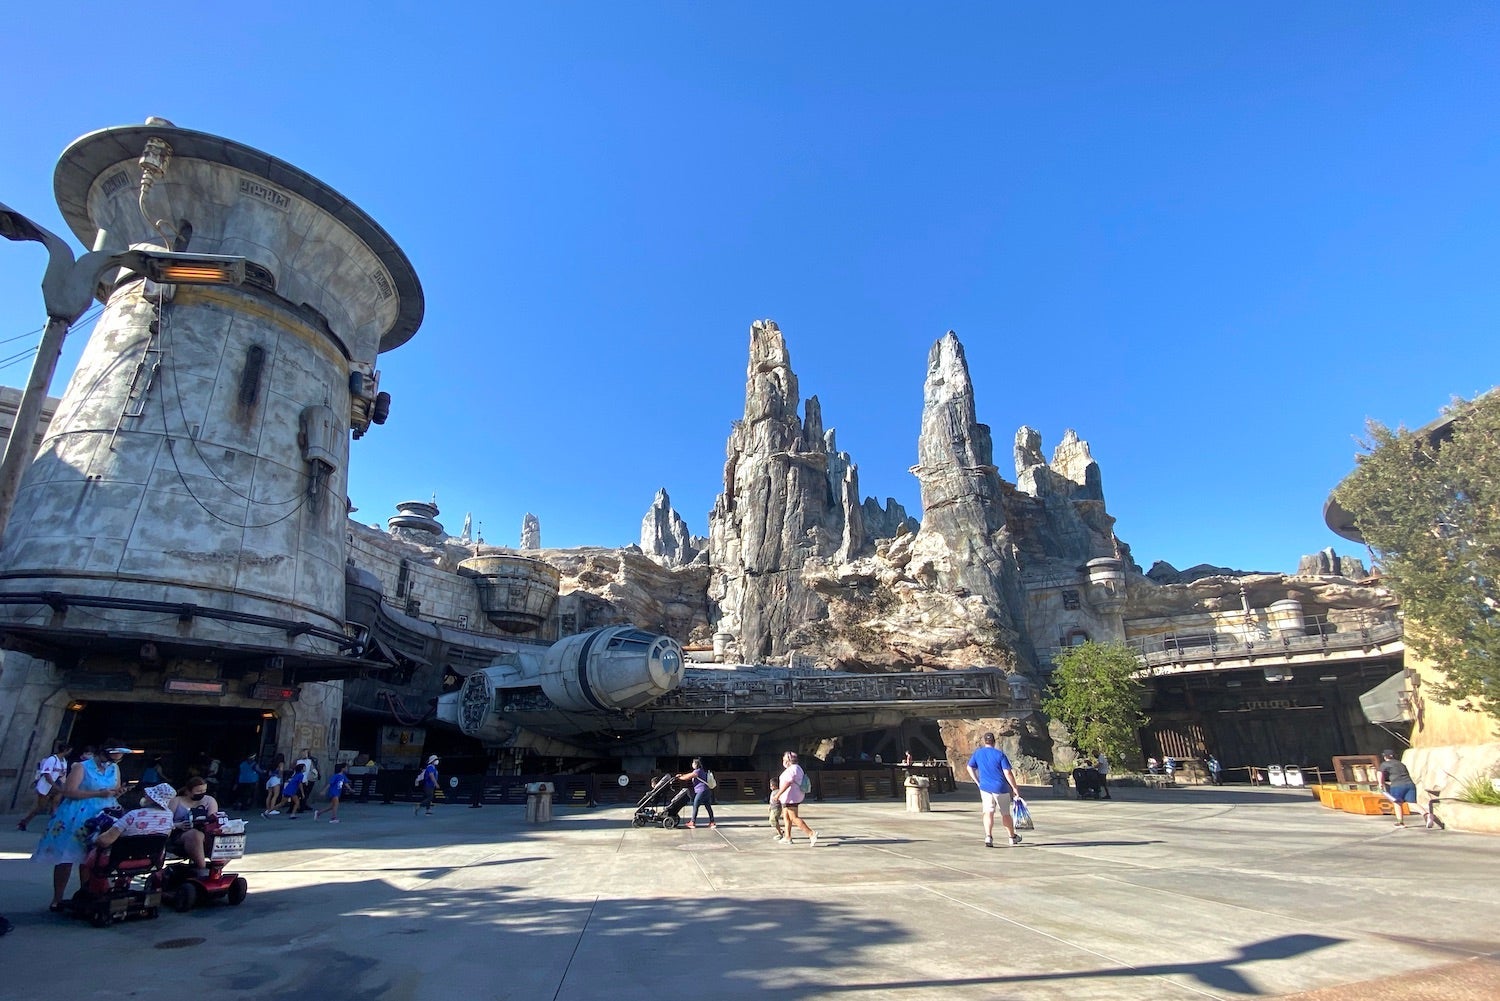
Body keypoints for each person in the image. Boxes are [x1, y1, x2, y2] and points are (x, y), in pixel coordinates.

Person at [32, 743, 128, 912]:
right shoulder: (81, 767)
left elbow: (114, 788)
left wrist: (117, 793)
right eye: (112, 759)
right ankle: (58, 898)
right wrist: (98, 794)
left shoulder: (114, 769)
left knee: (91, 858)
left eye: (117, 760)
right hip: (78, 814)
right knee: (66, 857)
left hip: (102, 814)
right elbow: (69, 792)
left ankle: (87, 894)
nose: (113, 763)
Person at [965, 732, 1022, 848]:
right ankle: (1012, 837)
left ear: (984, 741)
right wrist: (1014, 788)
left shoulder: (978, 754)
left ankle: (988, 836)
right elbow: (1008, 773)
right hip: (1001, 788)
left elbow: (969, 767)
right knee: (1005, 813)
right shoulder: (999, 755)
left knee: (988, 812)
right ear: (994, 742)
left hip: (985, 788)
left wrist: (977, 781)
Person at [168, 777, 219, 877]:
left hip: (205, 833)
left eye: (204, 791)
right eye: (198, 791)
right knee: (195, 835)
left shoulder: (209, 800)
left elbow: (213, 819)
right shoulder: (176, 801)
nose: (201, 793)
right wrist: (178, 825)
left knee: (231, 836)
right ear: (188, 791)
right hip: (180, 833)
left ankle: (216, 867)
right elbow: (165, 821)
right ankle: (202, 868)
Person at [18, 741, 71, 832]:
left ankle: (53, 826)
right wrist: (53, 785)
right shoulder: (52, 759)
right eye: (69, 750)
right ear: (65, 750)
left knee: (55, 805)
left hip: (58, 785)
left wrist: (62, 786)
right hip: (47, 785)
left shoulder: (64, 762)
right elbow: (47, 774)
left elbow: (63, 775)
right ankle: (25, 821)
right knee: (40, 807)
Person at [771, 751, 818, 846]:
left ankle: (811, 833)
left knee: (794, 817)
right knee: (786, 817)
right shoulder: (797, 768)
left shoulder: (793, 769)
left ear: (788, 760)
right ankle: (787, 837)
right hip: (790, 797)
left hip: (791, 797)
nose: (783, 761)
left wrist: (778, 794)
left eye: (784, 759)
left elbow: (788, 782)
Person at [1378, 749, 1418, 828]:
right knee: (1412, 803)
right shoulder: (1401, 764)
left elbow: (1379, 773)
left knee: (1397, 803)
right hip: (1410, 784)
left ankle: (1400, 822)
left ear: (1385, 757)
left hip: (1397, 785)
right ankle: (1426, 814)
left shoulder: (1385, 764)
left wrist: (1380, 784)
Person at [675, 757, 716, 829]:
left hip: (701, 791)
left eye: (693, 763)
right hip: (707, 791)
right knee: (708, 806)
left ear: (696, 764)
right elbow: (689, 774)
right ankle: (712, 822)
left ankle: (692, 822)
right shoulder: (702, 771)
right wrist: (682, 775)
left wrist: (680, 777)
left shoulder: (697, 771)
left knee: (695, 805)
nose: (692, 764)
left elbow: (688, 777)